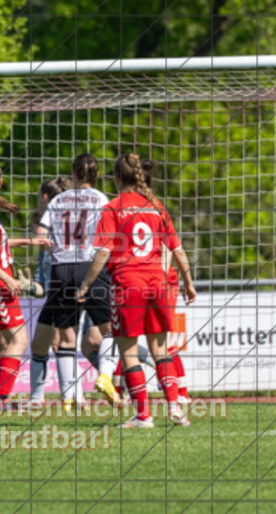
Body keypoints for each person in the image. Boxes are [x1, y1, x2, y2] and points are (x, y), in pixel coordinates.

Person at [78, 152, 196, 429]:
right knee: (161, 350)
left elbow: (102, 252)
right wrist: (189, 283)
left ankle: (143, 415)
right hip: (158, 284)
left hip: (128, 285)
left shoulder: (113, 208)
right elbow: (178, 249)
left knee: (128, 353)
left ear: (116, 178)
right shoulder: (156, 207)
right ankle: (175, 408)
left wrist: (85, 285)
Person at [30, 155, 117, 409]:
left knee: (66, 338)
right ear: (96, 175)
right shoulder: (102, 199)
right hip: (90, 267)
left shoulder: (58, 200)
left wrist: (55, 250)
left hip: (61, 269)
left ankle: (69, 398)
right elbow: (109, 237)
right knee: (112, 329)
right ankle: (105, 375)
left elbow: (42, 237)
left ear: (74, 174)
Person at [0, 161, 52, 409]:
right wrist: (8, 279)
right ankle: (1, 399)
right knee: (19, 340)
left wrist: (30, 242)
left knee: (4, 343)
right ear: (0, 182)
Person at [29, 176, 70, 404]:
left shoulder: (67, 231)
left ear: (44, 198)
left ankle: (72, 397)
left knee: (66, 342)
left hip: (76, 291)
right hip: (56, 295)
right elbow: (40, 285)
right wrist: (25, 286)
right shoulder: (45, 237)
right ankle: (37, 399)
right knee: (40, 344)